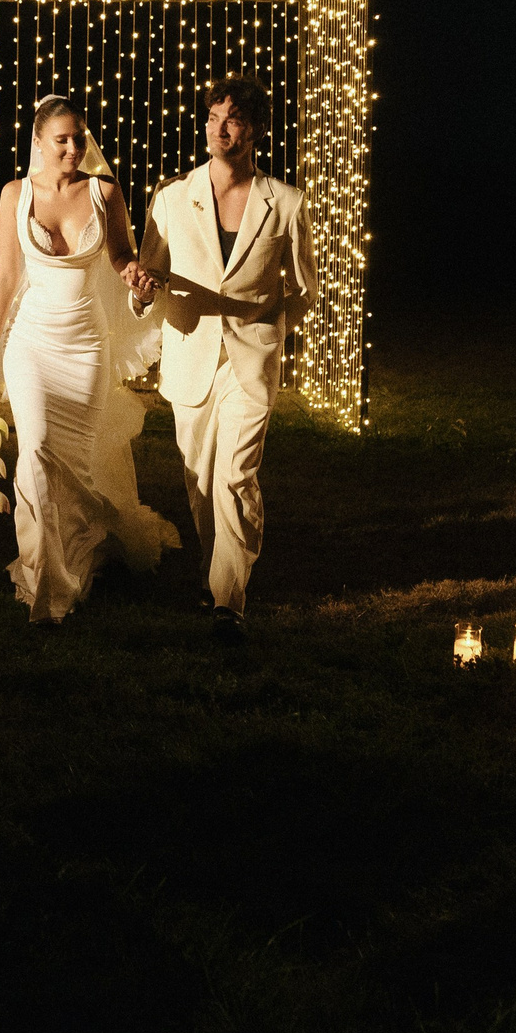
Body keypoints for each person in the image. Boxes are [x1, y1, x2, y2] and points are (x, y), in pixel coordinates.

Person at [0, 97, 177, 624]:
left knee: (78, 468)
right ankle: (46, 580)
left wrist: (134, 275)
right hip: (32, 344)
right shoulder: (15, 196)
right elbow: (6, 277)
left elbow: (120, 255)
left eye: (79, 137)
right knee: (36, 451)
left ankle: (81, 549)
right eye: (61, 139)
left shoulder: (104, 192)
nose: (72, 147)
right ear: (38, 142)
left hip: (86, 347)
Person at [129, 75, 318, 643]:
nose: (220, 129)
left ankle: (228, 603)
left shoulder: (284, 203)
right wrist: (140, 293)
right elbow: (146, 278)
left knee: (236, 474)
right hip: (191, 353)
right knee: (200, 480)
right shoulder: (172, 196)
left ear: (254, 129)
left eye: (232, 119)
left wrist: (267, 326)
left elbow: (304, 288)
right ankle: (217, 578)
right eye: (212, 118)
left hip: (251, 361)